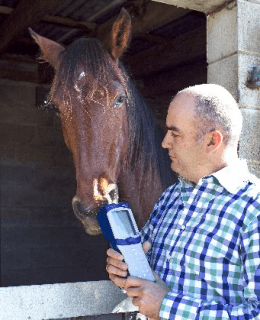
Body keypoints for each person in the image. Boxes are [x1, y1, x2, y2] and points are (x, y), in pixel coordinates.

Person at [106, 84, 260, 320]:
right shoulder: (171, 197)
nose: (165, 142)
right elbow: (146, 279)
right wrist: (125, 271)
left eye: (175, 133)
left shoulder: (254, 208)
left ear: (212, 141)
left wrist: (166, 307)